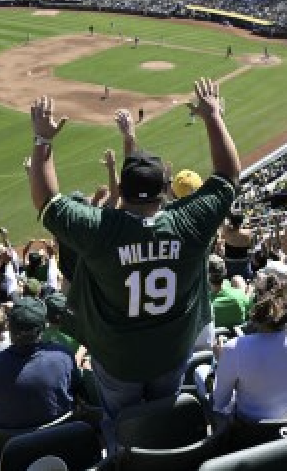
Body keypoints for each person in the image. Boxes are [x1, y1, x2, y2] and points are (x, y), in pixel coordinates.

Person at [27, 77, 240, 449]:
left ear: (120, 192)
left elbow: (47, 201)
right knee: (163, 408)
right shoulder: (190, 221)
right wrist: (213, 117)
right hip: (173, 351)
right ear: (165, 189)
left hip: (118, 360)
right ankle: (166, 449)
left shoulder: (100, 229)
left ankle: (128, 451)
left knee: (122, 419)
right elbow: (227, 177)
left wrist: (43, 140)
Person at [197, 272, 287, 424]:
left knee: (200, 372)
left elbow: (220, 403)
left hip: (253, 431)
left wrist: (221, 362)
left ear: (261, 304)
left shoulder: (234, 349)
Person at [0, 297, 79, 435]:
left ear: (9, 328)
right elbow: (77, 390)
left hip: (12, 449)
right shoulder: (63, 356)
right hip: (61, 440)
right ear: (43, 328)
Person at [208, 254, 250, 328]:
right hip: (236, 335)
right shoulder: (240, 296)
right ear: (225, 271)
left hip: (215, 335)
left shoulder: (204, 305)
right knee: (238, 278)